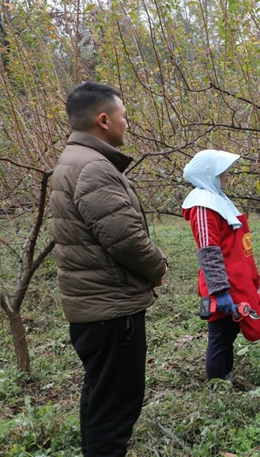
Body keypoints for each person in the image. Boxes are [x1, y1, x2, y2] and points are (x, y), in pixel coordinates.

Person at [50, 82, 169, 456]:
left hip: (94, 307)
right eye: (124, 116)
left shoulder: (72, 161)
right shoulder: (93, 168)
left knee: (99, 399)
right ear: (104, 120)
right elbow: (126, 239)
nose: (127, 124)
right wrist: (158, 267)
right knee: (115, 409)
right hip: (111, 309)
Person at [182, 150, 260, 381]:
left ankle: (226, 378)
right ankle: (218, 387)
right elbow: (208, 250)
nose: (226, 176)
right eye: (222, 173)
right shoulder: (202, 206)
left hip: (237, 281)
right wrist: (220, 291)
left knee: (229, 333)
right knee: (220, 336)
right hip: (223, 284)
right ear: (209, 175)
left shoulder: (218, 200)